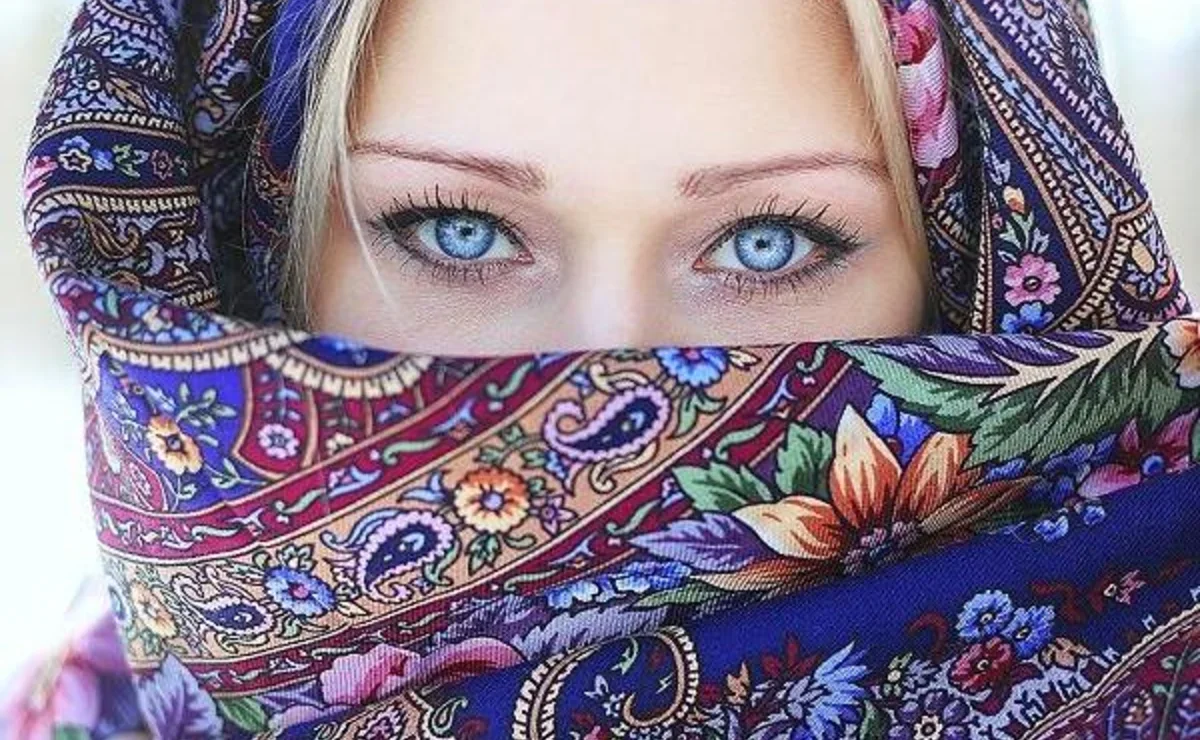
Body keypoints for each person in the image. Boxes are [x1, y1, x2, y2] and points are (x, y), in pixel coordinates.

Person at [6, 0, 1198, 737]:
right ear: (262, 255)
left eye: (767, 240)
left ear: (976, 275)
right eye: (459, 230)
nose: (612, 361)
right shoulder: (88, 714)